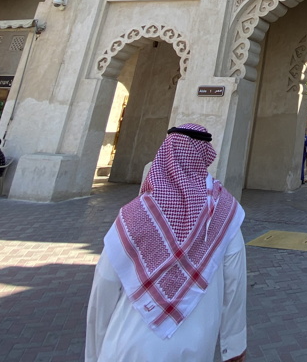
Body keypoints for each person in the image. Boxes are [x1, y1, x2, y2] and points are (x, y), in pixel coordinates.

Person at [85, 124, 247, 362]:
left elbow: (105, 284)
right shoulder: (224, 214)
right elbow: (235, 284)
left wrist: (94, 351)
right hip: (194, 346)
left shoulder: (134, 215)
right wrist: (234, 347)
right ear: (204, 156)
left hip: (126, 344)